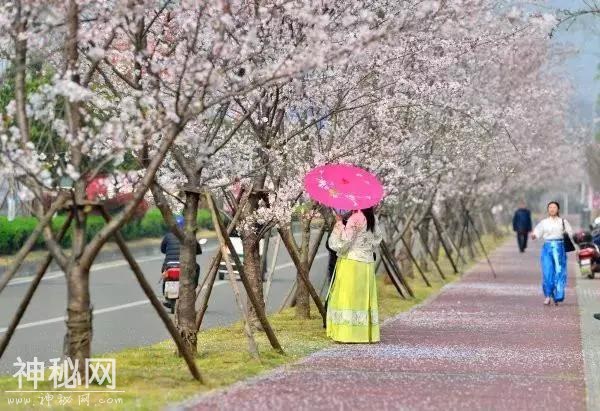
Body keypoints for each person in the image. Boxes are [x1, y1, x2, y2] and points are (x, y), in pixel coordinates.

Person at [326, 207, 382, 343]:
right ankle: (364, 334)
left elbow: (344, 243)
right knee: (363, 298)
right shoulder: (372, 218)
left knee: (348, 298)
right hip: (367, 263)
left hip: (351, 263)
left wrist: (339, 223)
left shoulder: (354, 218)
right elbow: (377, 239)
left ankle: (348, 334)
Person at [531, 201, 574, 306]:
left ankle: (558, 295)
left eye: (554, 207)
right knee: (547, 272)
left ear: (558, 209)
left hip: (560, 248)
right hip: (547, 249)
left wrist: (568, 235)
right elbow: (537, 232)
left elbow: (570, 234)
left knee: (560, 272)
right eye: (550, 207)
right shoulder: (544, 222)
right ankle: (548, 295)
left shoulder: (563, 221)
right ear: (548, 209)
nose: (552, 209)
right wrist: (534, 235)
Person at [160, 215, 202, 302]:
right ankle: (193, 286)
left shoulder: (168, 236)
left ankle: (165, 293)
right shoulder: (189, 236)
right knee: (197, 267)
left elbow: (163, 249)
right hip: (185, 264)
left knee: (164, 273)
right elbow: (198, 250)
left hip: (168, 265)